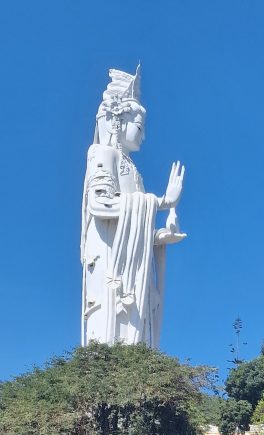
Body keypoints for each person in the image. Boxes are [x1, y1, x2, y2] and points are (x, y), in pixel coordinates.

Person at [80, 67, 185, 347]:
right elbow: (99, 203)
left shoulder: (133, 171)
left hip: (132, 266)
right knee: (109, 333)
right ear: (118, 121)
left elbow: (135, 226)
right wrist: (161, 201)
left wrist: (160, 235)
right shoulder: (102, 153)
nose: (144, 136)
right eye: (140, 127)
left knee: (133, 340)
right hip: (110, 262)